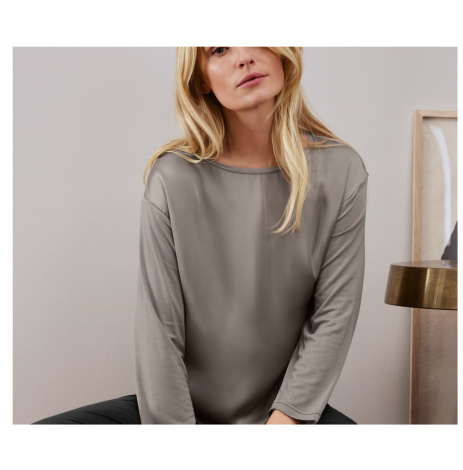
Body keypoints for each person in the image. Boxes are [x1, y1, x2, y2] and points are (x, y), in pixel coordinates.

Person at [33, 47, 368, 425]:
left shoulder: (341, 171)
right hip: (178, 412)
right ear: (201, 80)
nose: (244, 57)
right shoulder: (173, 178)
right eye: (219, 49)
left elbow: (333, 316)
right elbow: (160, 334)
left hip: (284, 414)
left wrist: (283, 425)